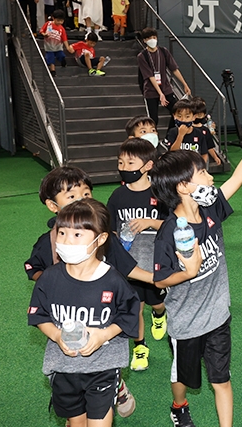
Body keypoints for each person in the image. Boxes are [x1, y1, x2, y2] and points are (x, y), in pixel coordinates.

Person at [151, 127, 242, 427]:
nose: (211, 177)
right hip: (185, 324)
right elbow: (159, 280)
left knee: (221, 380)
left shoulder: (210, 207)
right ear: (184, 187)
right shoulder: (169, 234)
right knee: (182, 378)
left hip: (218, 317)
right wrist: (187, 272)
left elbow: (237, 179)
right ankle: (179, 405)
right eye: (203, 172)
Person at [28, 198, 140, 427]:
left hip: (102, 368)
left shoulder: (113, 280)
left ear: (101, 239)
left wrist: (104, 335)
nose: (67, 240)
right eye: (62, 233)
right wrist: (57, 336)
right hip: (63, 368)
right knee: (75, 423)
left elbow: (128, 314)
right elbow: (40, 315)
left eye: (77, 235)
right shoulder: (49, 278)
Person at [107, 138, 168, 372]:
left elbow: (175, 225)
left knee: (158, 302)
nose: (123, 167)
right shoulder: (117, 196)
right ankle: (140, 347)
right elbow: (110, 228)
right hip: (129, 266)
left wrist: (150, 222)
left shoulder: (160, 193)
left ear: (148, 166)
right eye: (120, 162)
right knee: (136, 307)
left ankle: (159, 315)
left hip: (154, 263)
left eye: (130, 162)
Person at [137, 27, 191, 131]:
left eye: (153, 37)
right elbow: (150, 76)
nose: (152, 40)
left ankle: (169, 137)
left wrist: (185, 84)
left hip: (166, 88)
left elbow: (174, 69)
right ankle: (153, 140)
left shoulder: (163, 51)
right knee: (153, 119)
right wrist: (160, 93)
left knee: (177, 111)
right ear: (144, 40)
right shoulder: (142, 56)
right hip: (151, 91)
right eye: (148, 38)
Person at [40, 9, 74, 77]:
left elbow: (64, 38)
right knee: (50, 58)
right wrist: (44, 34)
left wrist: (67, 47)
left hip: (58, 47)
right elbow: (42, 31)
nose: (60, 22)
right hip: (49, 47)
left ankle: (63, 61)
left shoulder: (61, 28)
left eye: (61, 21)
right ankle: (53, 71)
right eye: (58, 20)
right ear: (53, 18)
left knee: (61, 55)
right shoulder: (48, 24)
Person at [190, 96, 222, 166]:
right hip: (188, 159)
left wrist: (215, 157)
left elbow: (209, 146)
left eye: (199, 114)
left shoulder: (205, 130)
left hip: (202, 160)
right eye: (194, 114)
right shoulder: (186, 128)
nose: (196, 117)